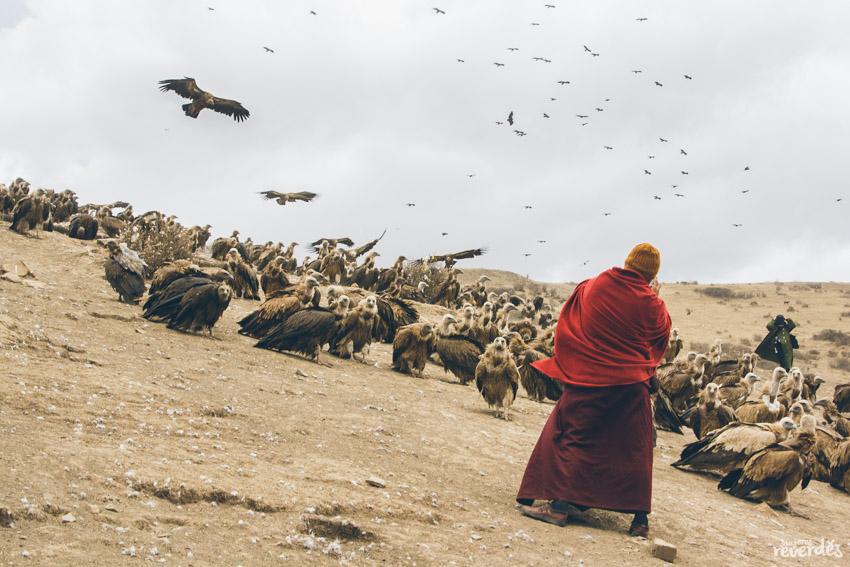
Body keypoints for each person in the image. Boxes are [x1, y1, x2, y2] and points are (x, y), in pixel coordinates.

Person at [516, 243, 671, 537]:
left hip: (591, 378)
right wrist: (652, 297)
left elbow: (574, 308)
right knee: (634, 449)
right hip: (631, 386)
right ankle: (639, 520)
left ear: (627, 263)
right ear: (652, 275)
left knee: (573, 435)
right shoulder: (654, 305)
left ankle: (559, 506)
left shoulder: (598, 285)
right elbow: (660, 339)